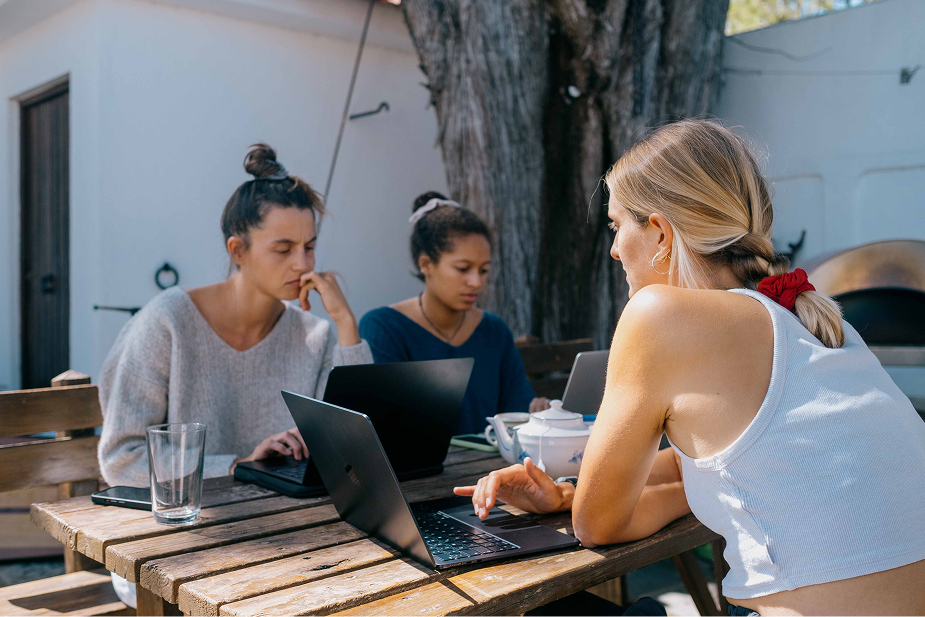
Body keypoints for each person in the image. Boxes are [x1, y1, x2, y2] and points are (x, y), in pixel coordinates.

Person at [456, 120, 925, 617]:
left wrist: (596, 500)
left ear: (659, 232)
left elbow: (598, 526)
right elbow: (730, 464)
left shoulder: (660, 314)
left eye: (617, 227)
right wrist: (570, 493)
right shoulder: (816, 320)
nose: (614, 249)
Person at [98, 143, 373, 489]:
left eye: (310, 246)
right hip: (189, 529)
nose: (303, 264)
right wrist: (239, 466)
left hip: (292, 525)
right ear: (237, 250)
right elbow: (123, 460)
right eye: (284, 249)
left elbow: (359, 456)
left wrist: (347, 325)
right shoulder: (169, 322)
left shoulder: (315, 336)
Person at [359, 192, 548, 435]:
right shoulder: (384, 328)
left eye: (483, 270)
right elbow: (385, 425)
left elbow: (516, 410)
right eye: (463, 269)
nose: (476, 282)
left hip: (489, 468)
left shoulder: (494, 331)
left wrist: (537, 413)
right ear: (425, 264)